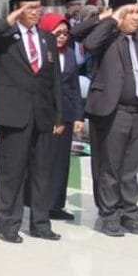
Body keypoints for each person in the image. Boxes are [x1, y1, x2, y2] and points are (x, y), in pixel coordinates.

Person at [0, 0, 64, 243]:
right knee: (12, 172)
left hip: (42, 113)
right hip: (14, 114)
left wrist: (58, 116)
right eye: (30, 7)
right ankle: (9, 224)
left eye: (38, 7)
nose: (36, 12)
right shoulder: (5, 37)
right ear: (18, 9)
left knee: (41, 171)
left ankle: (40, 223)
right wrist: (8, 21)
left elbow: (54, 79)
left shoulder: (46, 38)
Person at [83, 0, 138, 237]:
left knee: (131, 167)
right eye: (130, 12)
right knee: (110, 166)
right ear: (119, 15)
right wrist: (111, 19)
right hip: (113, 111)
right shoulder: (108, 36)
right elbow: (88, 43)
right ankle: (109, 215)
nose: (136, 17)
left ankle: (129, 213)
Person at [37, 13, 84, 221]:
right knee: (46, 160)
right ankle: (41, 204)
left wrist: (78, 116)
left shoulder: (70, 54)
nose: (62, 37)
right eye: (58, 33)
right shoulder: (42, 53)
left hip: (65, 113)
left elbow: (74, 87)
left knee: (61, 161)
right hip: (47, 114)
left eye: (66, 33)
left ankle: (57, 204)